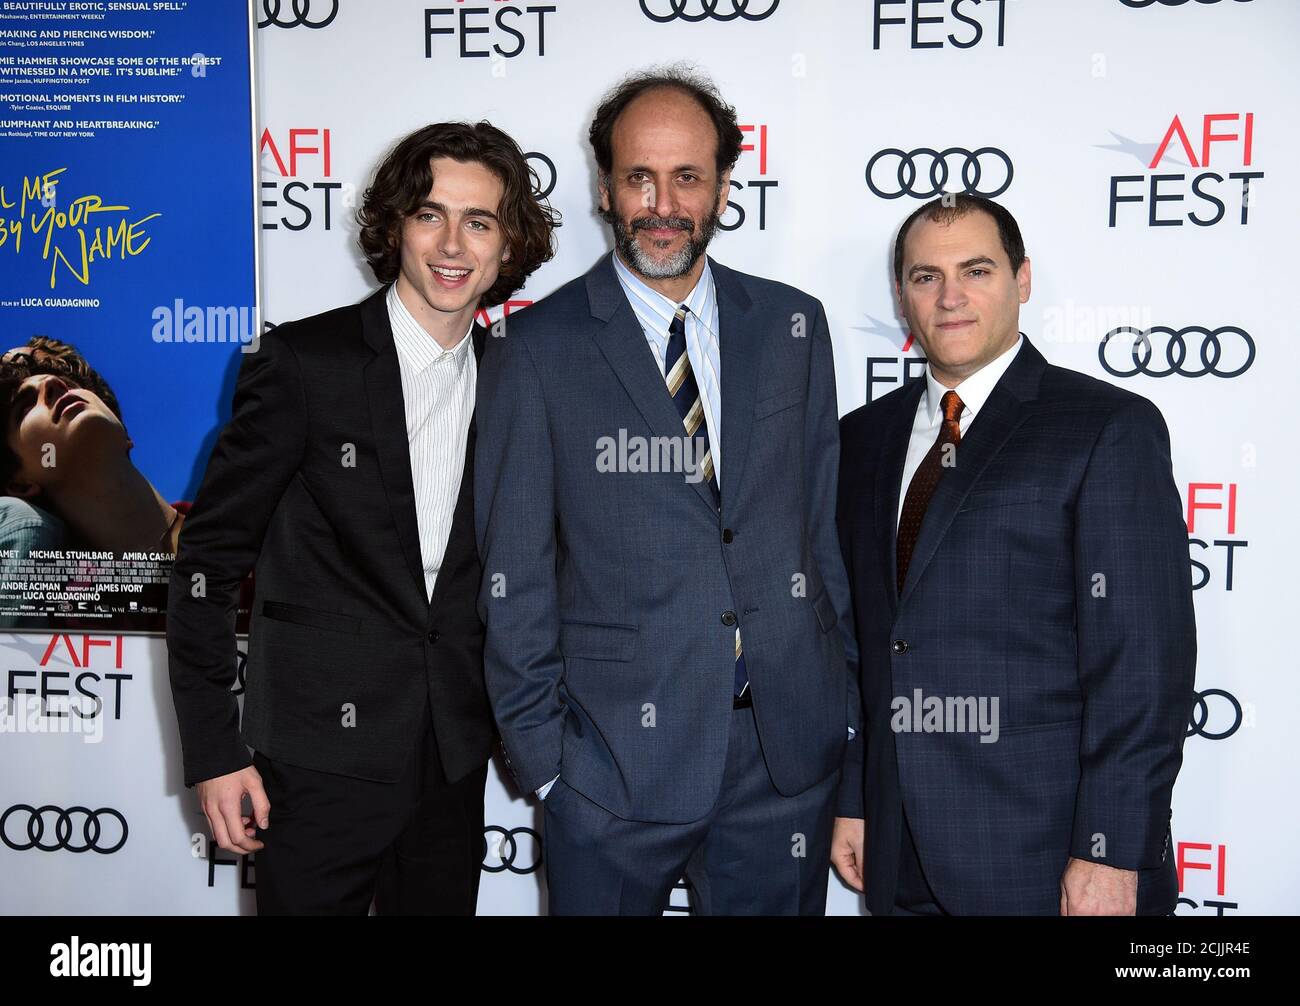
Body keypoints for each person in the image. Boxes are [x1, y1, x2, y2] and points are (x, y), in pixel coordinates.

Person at [475, 66, 859, 916]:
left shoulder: (795, 327)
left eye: (687, 176)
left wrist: (839, 717)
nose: (663, 202)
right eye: (638, 176)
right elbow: (514, 574)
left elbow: (819, 537)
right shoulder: (535, 350)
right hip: (610, 770)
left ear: (724, 184)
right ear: (605, 188)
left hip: (783, 766)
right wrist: (548, 766)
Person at [167, 121, 558, 915]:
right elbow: (206, 565)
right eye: (430, 215)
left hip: (452, 761)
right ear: (393, 228)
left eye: (479, 221)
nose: (453, 244)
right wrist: (213, 752)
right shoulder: (304, 363)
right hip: (315, 765)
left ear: (508, 243)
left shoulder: (519, 378)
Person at [832, 193, 1196, 915]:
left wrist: (1109, 848)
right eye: (924, 276)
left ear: (1022, 280)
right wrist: (856, 796)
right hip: (899, 851)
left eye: (976, 270)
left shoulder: (1106, 428)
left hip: (1050, 855)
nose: (950, 297)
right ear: (901, 295)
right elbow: (858, 645)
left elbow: (1143, 665)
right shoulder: (859, 439)